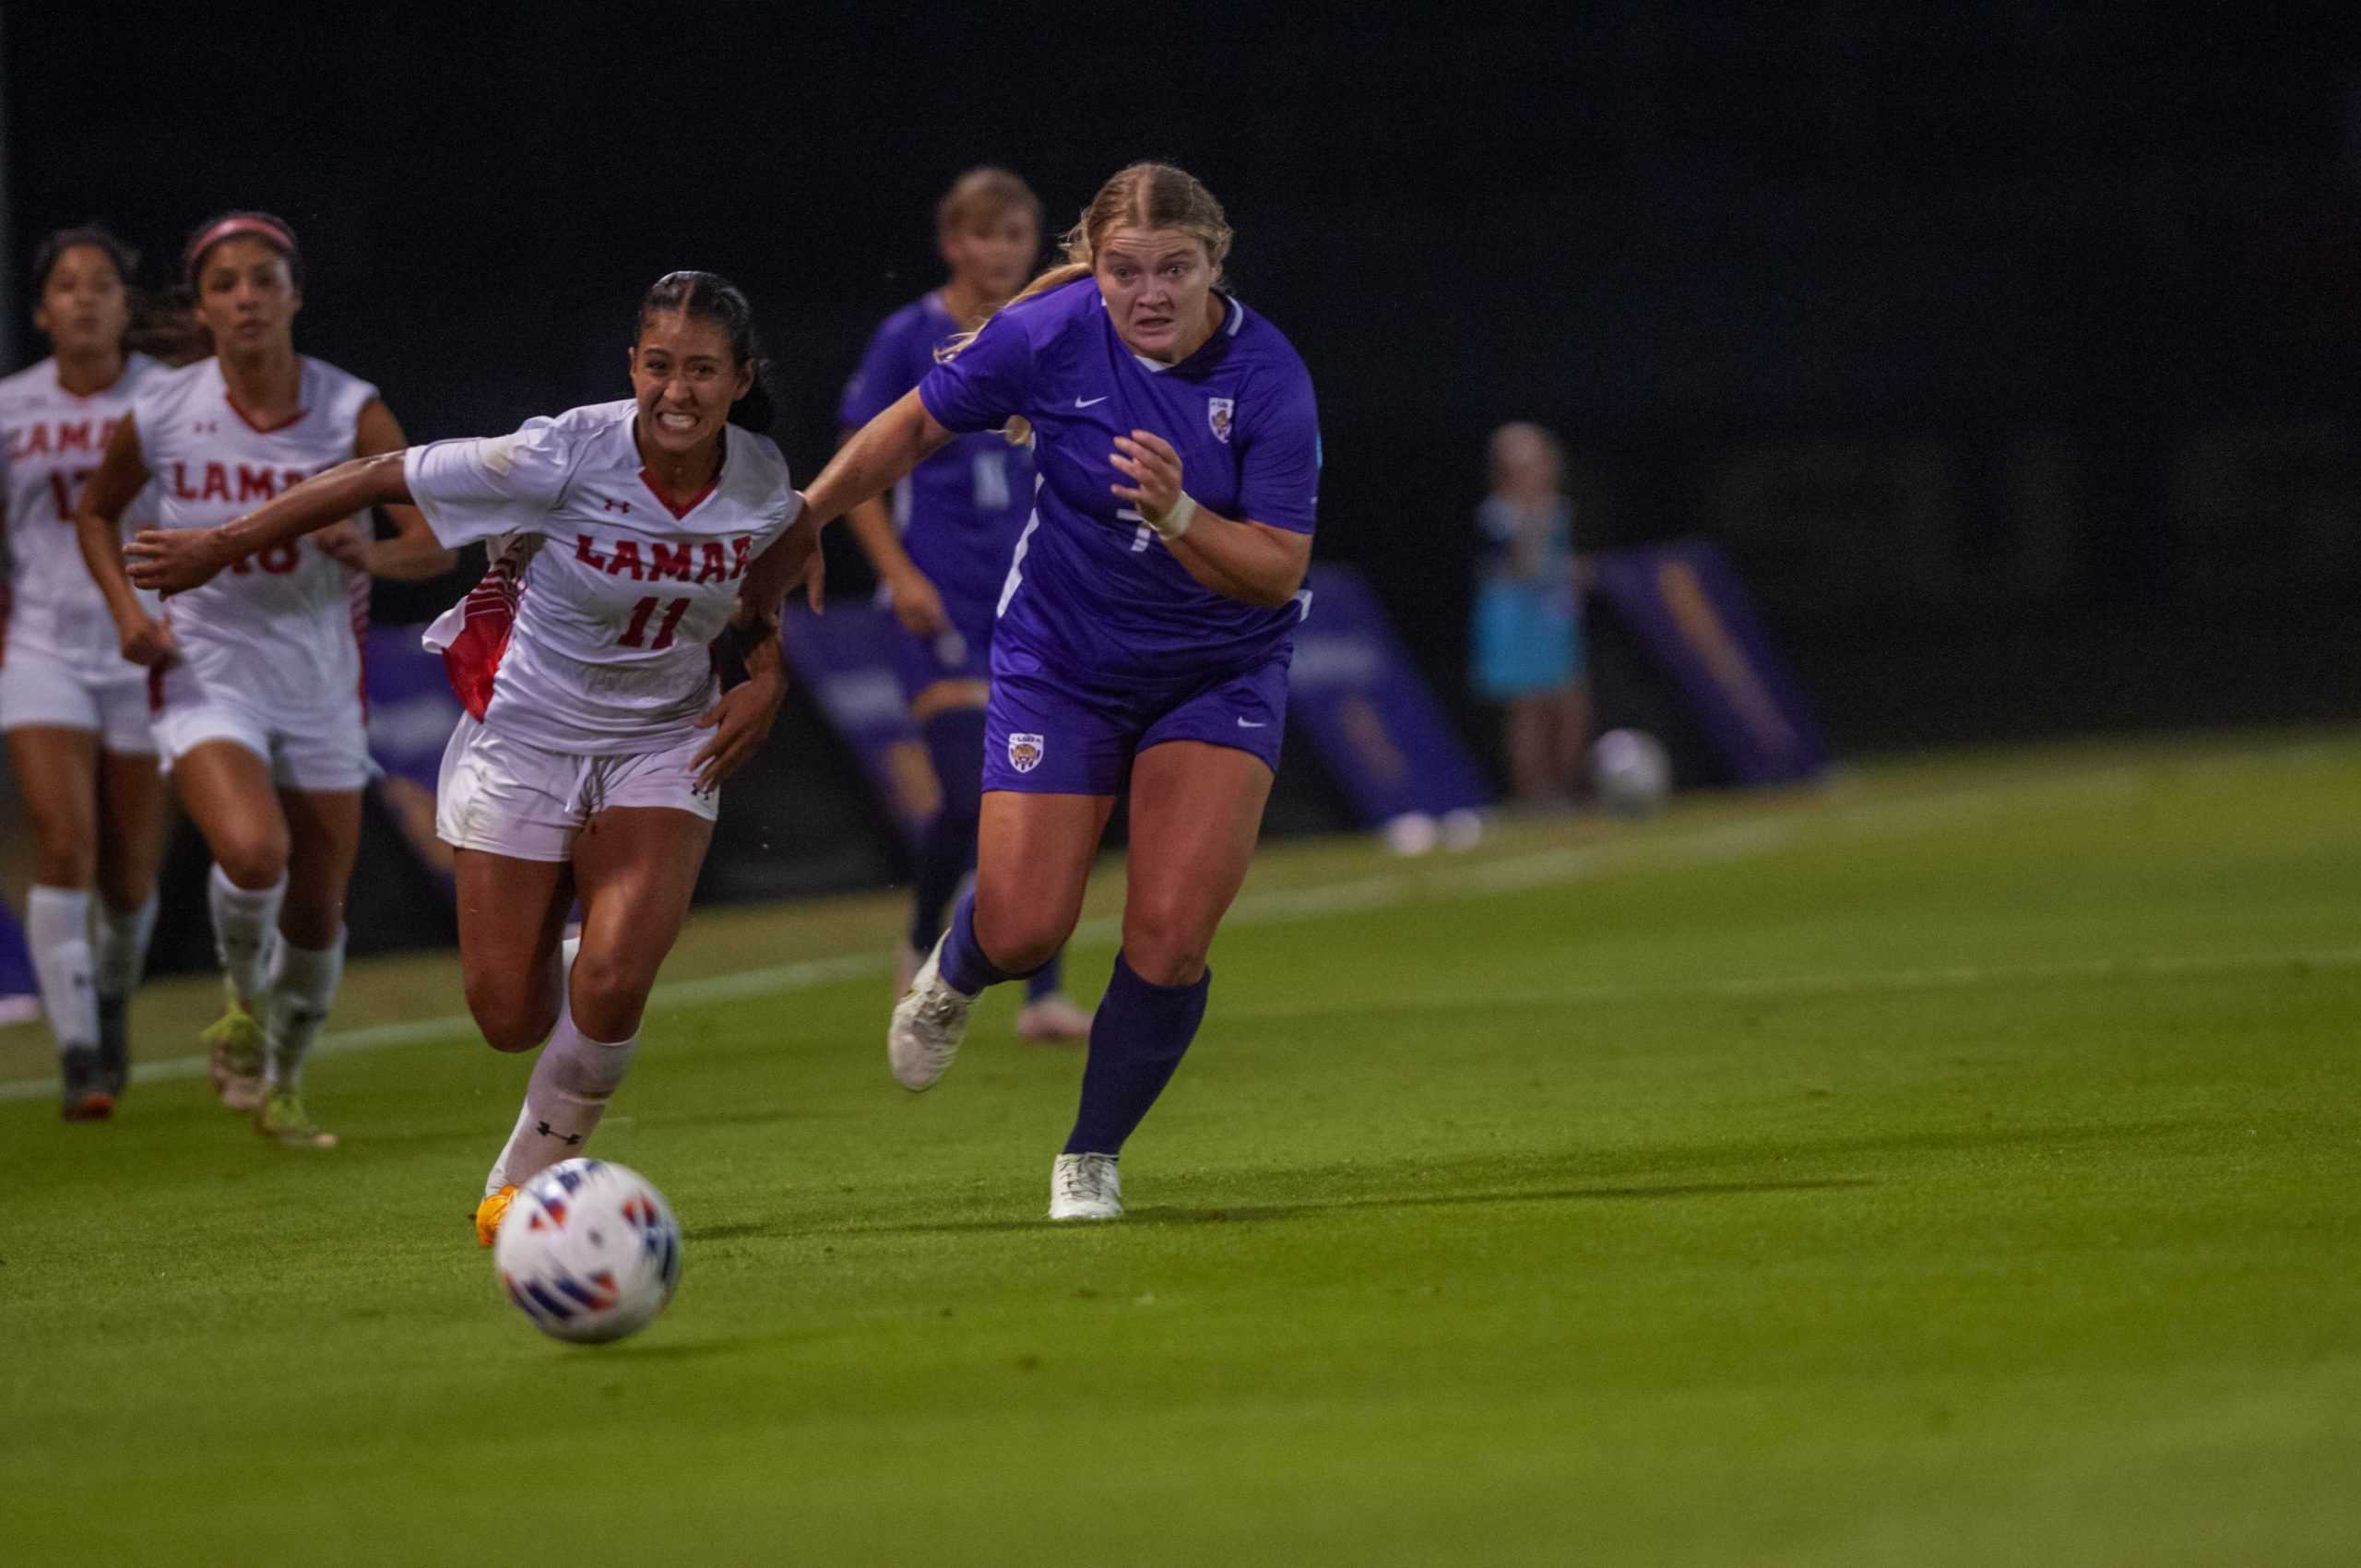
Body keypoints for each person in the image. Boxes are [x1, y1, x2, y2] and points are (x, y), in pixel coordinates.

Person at [129, 270, 803, 1242]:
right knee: (508, 1014)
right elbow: (375, 476)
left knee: (615, 982)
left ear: (740, 379)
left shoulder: (761, 475)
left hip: (663, 739)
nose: (678, 391)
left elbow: (765, 580)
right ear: (631, 366)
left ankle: (522, 1185)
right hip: (527, 734)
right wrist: (218, 546)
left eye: (702, 370)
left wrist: (768, 674)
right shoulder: (559, 451)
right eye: (659, 365)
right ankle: (589, 960)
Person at [747, 162, 1321, 1221]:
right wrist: (807, 519)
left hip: (1219, 671)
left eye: (1175, 269)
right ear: (1093, 265)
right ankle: (954, 969)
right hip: (1063, 661)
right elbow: (911, 425)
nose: (1149, 293)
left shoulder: (1270, 376)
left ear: (1215, 262)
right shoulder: (1051, 331)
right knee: (1022, 926)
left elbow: (1280, 567)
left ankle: (1089, 1155)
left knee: (1170, 935)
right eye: (1123, 269)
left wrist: (1182, 514)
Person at [77, 211, 453, 1147]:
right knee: (253, 852)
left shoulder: (348, 409)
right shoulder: (163, 410)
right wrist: (129, 614)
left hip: (321, 677)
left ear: (295, 295)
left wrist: (366, 551)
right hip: (206, 668)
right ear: (201, 308)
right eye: (224, 284)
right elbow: (95, 514)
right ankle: (241, 1009)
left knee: (321, 903)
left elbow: (434, 545)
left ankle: (283, 1079)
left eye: (262, 280)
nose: (245, 297)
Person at [839, 166, 1090, 1042]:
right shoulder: (909, 336)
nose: (1001, 252)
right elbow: (864, 460)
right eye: (985, 235)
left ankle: (1044, 994)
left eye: (1017, 236)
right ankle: (921, 938)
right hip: (940, 600)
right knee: (969, 791)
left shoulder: (1049, 332)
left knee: (1045, 788)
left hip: (1039, 603)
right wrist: (899, 573)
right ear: (954, 243)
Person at [0, 225, 169, 1119]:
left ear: (125, 305)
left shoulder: (169, 398)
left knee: (131, 869)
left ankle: (107, 998)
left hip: (144, 644)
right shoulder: (11, 407)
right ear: (42, 308)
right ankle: (77, 1055)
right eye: (66, 285)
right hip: (43, 647)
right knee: (62, 840)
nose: (85, 298)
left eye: (102, 283)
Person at [1470, 422, 1588, 807]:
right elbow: (1519, 567)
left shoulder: (1556, 508)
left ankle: (1564, 789)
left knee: (1571, 706)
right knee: (1529, 709)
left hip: (1551, 614)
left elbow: (1556, 563)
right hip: (1513, 615)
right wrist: (1531, 516)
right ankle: (1534, 798)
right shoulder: (1499, 515)